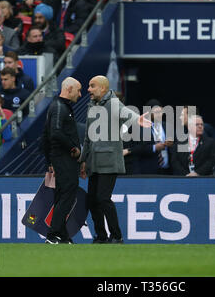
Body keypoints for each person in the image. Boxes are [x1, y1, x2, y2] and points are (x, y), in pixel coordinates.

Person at [79, 75, 152, 244]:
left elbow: (126, 112)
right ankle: (102, 236)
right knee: (92, 200)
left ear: (103, 89)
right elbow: (87, 138)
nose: (88, 89)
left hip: (109, 161)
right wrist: (83, 160)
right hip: (94, 161)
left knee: (103, 198)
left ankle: (117, 236)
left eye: (92, 86)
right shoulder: (92, 106)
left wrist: (137, 119)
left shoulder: (113, 103)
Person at [41, 77, 82, 244]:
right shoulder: (59, 107)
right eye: (78, 90)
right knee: (67, 195)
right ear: (70, 89)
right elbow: (55, 133)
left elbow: (47, 134)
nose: (80, 94)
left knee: (62, 196)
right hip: (64, 158)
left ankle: (63, 236)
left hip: (59, 158)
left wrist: (49, 160)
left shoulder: (60, 106)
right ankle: (52, 235)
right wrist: (73, 148)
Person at [128, 99, 174, 175]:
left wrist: (171, 144)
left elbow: (176, 146)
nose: (159, 115)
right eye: (156, 112)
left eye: (160, 112)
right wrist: (154, 148)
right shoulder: (141, 127)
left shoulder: (168, 126)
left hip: (167, 170)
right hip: (148, 170)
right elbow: (137, 149)